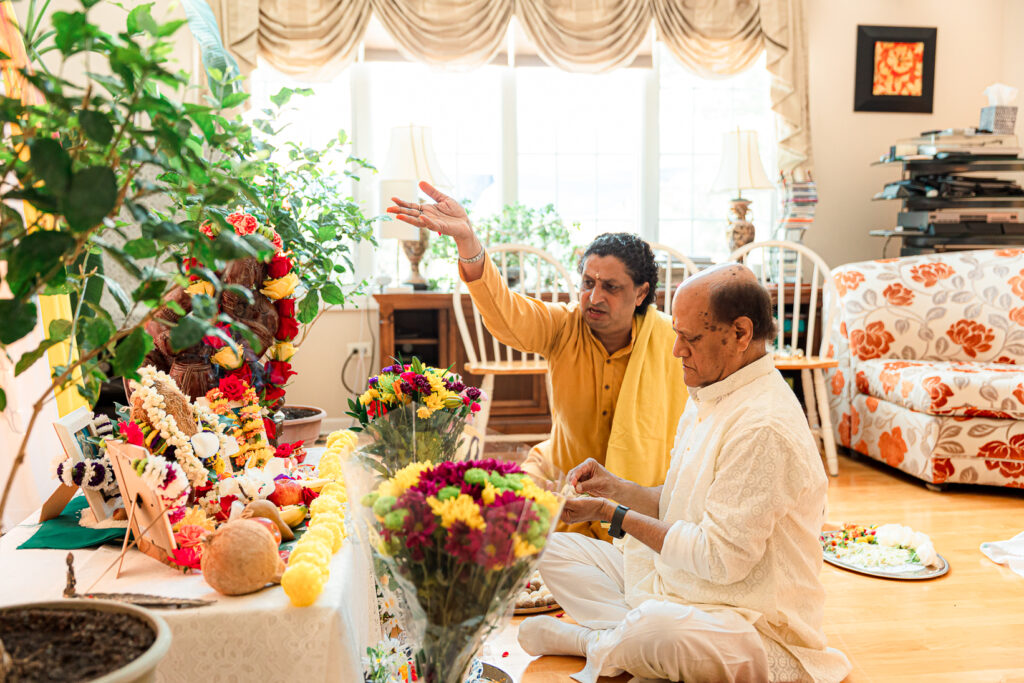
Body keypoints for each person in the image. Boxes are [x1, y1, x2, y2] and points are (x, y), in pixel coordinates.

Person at [516, 264, 852, 683]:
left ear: (741, 334)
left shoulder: (764, 426)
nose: (676, 350)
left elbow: (718, 559)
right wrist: (616, 488)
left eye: (690, 338)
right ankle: (626, 642)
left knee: (660, 629)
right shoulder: (707, 390)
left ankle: (590, 643)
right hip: (677, 584)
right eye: (676, 333)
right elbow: (680, 502)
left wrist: (611, 513)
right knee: (551, 547)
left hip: (745, 622)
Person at [388, 182, 688, 538]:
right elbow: (507, 314)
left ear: (641, 293)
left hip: (636, 504)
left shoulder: (675, 342)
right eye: (588, 282)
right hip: (566, 491)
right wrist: (468, 242)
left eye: (611, 287)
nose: (594, 296)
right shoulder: (563, 325)